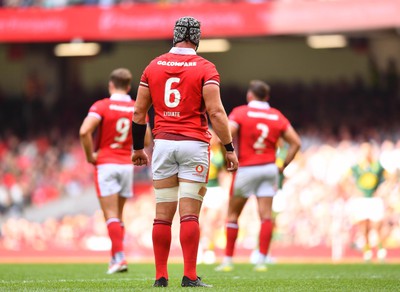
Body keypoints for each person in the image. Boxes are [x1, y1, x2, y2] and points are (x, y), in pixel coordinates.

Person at [131, 16, 239, 288]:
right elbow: (215, 111)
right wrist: (228, 148)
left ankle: (160, 276)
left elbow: (139, 113)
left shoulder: (153, 66)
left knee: (162, 214)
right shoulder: (206, 67)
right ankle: (189, 276)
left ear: (175, 35)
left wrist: (136, 148)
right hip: (193, 145)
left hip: (163, 144)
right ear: (198, 38)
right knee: (189, 214)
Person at [216, 80, 301, 272]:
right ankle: (262, 259)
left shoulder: (240, 112)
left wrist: (226, 158)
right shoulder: (276, 116)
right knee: (265, 217)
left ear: (249, 95)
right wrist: (283, 165)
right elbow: (296, 142)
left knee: (232, 215)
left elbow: (225, 135)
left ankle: (228, 261)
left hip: (246, 168)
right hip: (269, 168)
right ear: (267, 97)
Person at [79, 68, 151, 274]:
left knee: (110, 215)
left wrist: (90, 155)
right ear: (129, 87)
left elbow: (84, 131)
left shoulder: (102, 106)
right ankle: (115, 257)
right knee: (118, 216)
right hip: (126, 164)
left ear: (111, 85)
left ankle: (119, 257)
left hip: (106, 163)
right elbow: (146, 140)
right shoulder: (137, 107)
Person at [344, 142, 386, 261]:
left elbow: (389, 177)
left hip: (374, 199)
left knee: (377, 226)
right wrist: (352, 190)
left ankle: (380, 249)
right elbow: (345, 179)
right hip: (362, 200)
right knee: (364, 227)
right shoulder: (357, 167)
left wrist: (383, 190)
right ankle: (367, 251)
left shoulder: (377, 166)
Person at [198, 129, 230, 265]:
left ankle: (208, 250)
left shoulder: (219, 153)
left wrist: (226, 193)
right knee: (198, 222)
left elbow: (225, 174)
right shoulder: (199, 151)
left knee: (210, 223)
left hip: (214, 189)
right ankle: (199, 249)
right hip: (200, 188)